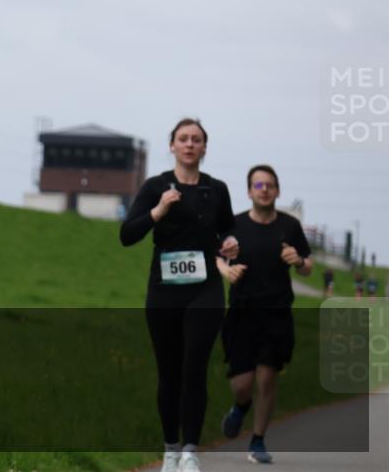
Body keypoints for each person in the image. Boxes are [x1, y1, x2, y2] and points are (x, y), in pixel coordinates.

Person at [120, 118, 239, 472]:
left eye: (196, 139)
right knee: (169, 371)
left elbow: (228, 230)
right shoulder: (155, 186)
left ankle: (190, 451)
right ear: (171, 146)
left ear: (204, 148)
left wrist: (231, 243)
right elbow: (127, 235)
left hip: (205, 289)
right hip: (164, 291)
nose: (189, 144)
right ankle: (171, 448)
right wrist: (158, 210)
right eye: (183, 139)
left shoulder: (217, 190)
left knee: (194, 367)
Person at [218, 164, 312, 464]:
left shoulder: (289, 226)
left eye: (269, 184)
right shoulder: (234, 225)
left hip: (276, 313)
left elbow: (308, 267)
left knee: (267, 377)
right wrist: (226, 271)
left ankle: (258, 440)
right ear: (249, 192)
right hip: (241, 313)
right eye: (258, 185)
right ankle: (240, 406)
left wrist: (298, 261)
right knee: (243, 384)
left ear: (278, 191)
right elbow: (216, 256)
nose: (264, 189)